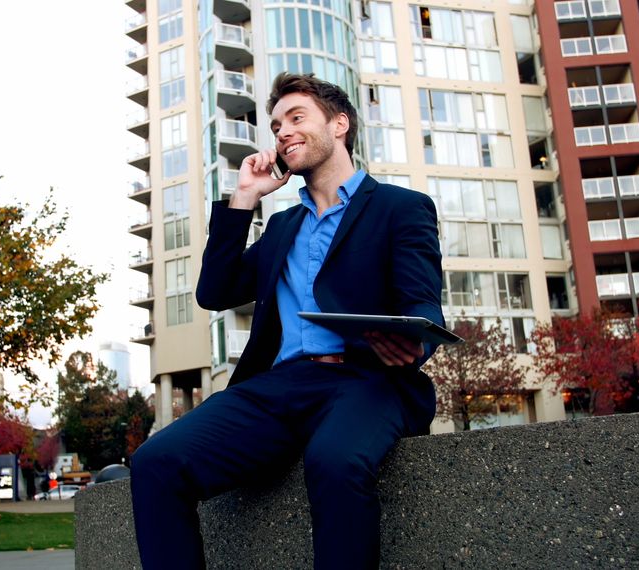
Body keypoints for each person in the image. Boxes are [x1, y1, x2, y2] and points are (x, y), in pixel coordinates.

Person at [130, 72, 444, 570]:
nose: (282, 132)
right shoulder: (282, 226)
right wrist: (245, 199)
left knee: (334, 461)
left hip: (367, 380)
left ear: (339, 124)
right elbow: (215, 292)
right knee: (154, 463)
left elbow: (425, 305)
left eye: (297, 118)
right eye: (276, 125)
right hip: (280, 387)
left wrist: (413, 342)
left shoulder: (398, 209)